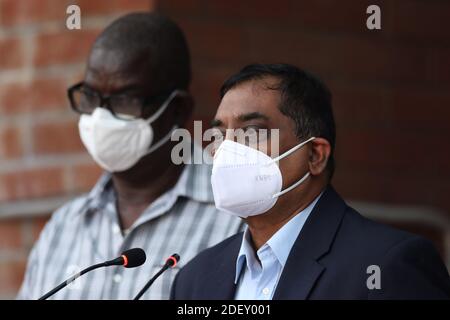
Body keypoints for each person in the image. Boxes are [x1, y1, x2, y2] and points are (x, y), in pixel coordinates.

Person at [170, 63, 450, 299]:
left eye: (252, 131)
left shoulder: (385, 265)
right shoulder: (195, 279)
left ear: (315, 155)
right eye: (219, 135)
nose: (226, 149)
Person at [18, 12, 242, 300]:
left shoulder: (236, 214)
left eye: (125, 100)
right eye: (90, 96)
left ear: (178, 110)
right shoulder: (62, 228)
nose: (100, 117)